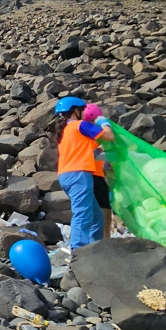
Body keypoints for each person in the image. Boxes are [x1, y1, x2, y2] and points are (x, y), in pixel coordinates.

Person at [54, 97, 114, 253]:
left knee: (96, 217)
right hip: (79, 174)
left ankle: (96, 250)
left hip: (66, 175)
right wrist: (103, 121)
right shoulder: (81, 125)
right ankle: (78, 252)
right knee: (83, 214)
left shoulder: (65, 131)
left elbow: (85, 150)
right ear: (76, 111)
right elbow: (109, 136)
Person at [84, 103, 114, 238]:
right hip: (92, 176)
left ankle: (105, 245)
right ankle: (102, 246)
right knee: (102, 216)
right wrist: (104, 124)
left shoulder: (92, 136)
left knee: (105, 216)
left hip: (98, 176)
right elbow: (110, 136)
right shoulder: (87, 133)